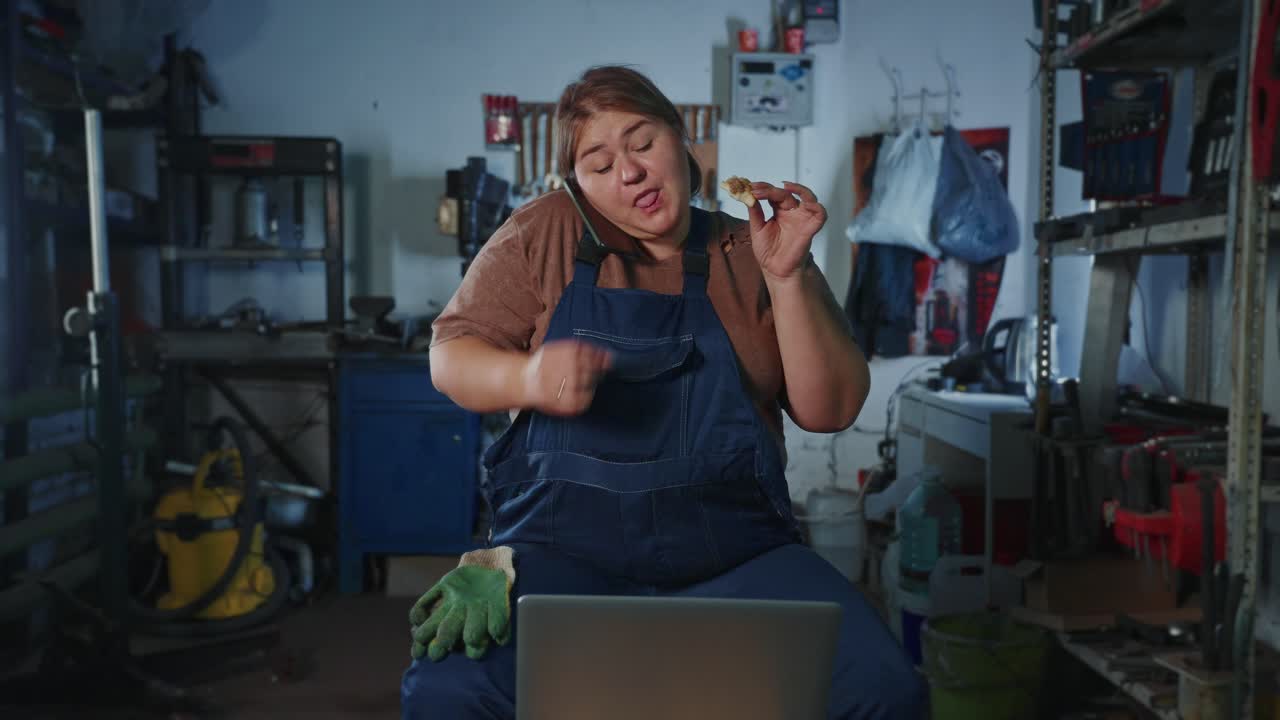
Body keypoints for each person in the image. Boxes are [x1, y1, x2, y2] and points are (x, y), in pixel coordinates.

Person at [401, 65, 925, 719]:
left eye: (642, 142)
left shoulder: (750, 247)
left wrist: (788, 277)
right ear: (579, 184)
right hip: (557, 557)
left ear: (680, 138)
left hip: (738, 560)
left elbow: (832, 411)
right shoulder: (547, 231)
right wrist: (526, 378)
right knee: (449, 691)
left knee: (882, 690)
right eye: (599, 164)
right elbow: (450, 356)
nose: (629, 172)